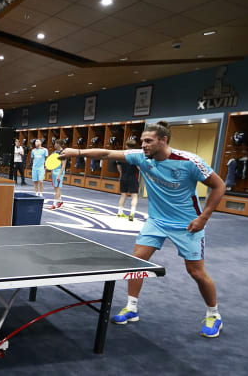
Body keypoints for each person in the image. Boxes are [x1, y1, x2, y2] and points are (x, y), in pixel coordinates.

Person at [58, 121, 225, 338]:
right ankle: (131, 307)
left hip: (187, 224)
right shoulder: (141, 157)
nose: (143, 145)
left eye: (148, 141)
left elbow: (219, 185)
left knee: (196, 272)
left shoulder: (190, 162)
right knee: (136, 261)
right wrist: (76, 152)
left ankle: (214, 315)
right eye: (142, 141)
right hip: (156, 221)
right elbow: (107, 153)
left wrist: (204, 217)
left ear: (163, 140)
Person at [116, 139, 140, 221]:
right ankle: (132, 214)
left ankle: (119, 212)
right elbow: (139, 167)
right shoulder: (136, 156)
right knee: (134, 196)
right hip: (132, 177)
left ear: (126, 146)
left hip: (123, 177)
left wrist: (121, 173)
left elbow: (118, 166)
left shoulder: (122, 155)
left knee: (123, 195)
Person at [48, 139, 66, 209]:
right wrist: (51, 170)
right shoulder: (54, 152)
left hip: (59, 171)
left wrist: (59, 175)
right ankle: (60, 201)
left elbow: (63, 165)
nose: (54, 145)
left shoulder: (63, 153)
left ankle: (54, 204)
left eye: (55, 144)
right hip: (54, 171)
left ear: (58, 144)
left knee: (57, 188)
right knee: (56, 188)